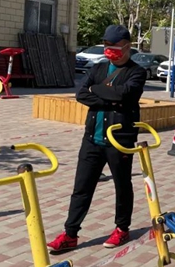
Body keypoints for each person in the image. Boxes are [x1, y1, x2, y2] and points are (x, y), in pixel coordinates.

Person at [48, 25, 147, 252]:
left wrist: (98, 91)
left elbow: (125, 94)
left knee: (122, 185)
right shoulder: (99, 68)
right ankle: (70, 233)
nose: (109, 50)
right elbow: (81, 94)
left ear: (127, 47)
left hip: (119, 139)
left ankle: (122, 228)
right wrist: (111, 98)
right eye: (106, 45)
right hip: (92, 138)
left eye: (114, 46)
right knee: (81, 187)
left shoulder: (137, 72)